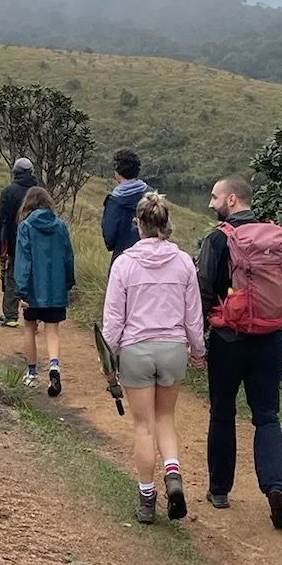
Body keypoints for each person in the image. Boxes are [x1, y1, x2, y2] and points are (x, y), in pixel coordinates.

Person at [196, 175, 282, 528]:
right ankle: (275, 487)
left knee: (222, 413)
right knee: (267, 416)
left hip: (228, 340)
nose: (211, 204)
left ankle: (219, 490)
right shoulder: (275, 237)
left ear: (232, 200)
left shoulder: (217, 239)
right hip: (269, 339)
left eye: (215, 197)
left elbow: (203, 290)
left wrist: (197, 340)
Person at [101, 191, 205, 523]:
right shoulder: (184, 262)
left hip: (136, 352)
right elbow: (193, 317)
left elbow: (113, 321)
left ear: (138, 224)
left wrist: (109, 361)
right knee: (165, 418)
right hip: (173, 349)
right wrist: (198, 352)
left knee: (144, 425)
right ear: (165, 222)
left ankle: (147, 500)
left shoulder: (124, 264)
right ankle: (173, 474)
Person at [13, 184, 75, 394]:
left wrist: (21, 290)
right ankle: (54, 366)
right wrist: (68, 283)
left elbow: (24, 261)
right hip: (56, 289)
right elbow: (68, 257)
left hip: (32, 289)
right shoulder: (60, 226)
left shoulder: (25, 227)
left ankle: (31, 373)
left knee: (29, 328)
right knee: (53, 330)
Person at [0, 156, 35, 327]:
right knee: (33, 277)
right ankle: (33, 316)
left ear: (15, 172)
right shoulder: (39, 192)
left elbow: (1, 222)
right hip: (37, 244)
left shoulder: (8, 192)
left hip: (15, 243)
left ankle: (10, 316)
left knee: (12, 277)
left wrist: (0, 247)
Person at [101, 148, 150, 260]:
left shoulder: (114, 202)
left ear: (117, 171)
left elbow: (109, 240)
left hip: (124, 259)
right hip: (153, 258)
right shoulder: (151, 195)